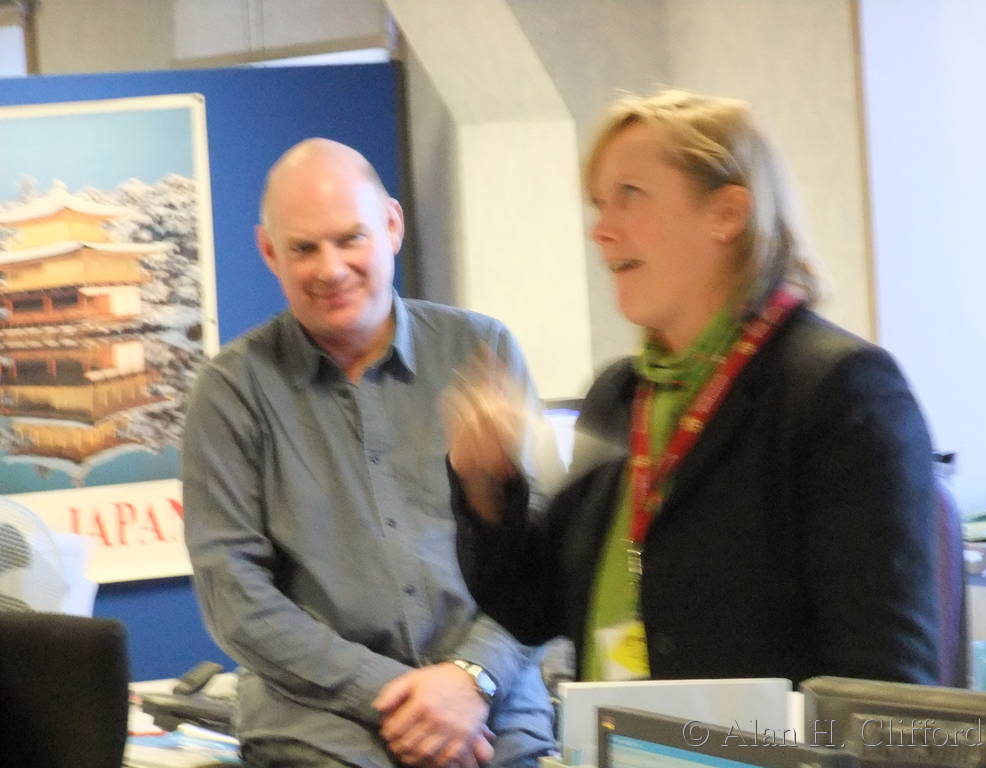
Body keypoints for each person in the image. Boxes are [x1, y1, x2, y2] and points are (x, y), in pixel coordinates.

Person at [446, 90, 943, 687]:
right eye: (599, 203)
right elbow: (535, 610)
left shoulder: (841, 392)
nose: (600, 231)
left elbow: (883, 681)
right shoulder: (618, 396)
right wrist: (486, 488)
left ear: (727, 214)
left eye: (630, 195)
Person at [182, 138, 554, 768]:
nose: (330, 269)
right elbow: (234, 594)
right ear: (270, 252)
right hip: (319, 723)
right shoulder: (231, 391)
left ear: (392, 226)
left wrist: (470, 678)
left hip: (492, 711)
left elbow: (541, 553)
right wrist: (406, 698)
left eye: (350, 238)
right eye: (304, 248)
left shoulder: (483, 351)